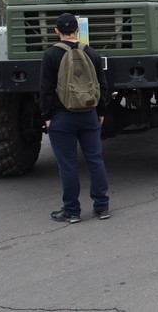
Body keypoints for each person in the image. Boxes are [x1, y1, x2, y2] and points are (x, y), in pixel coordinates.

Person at [40, 13, 110, 223]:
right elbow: (103, 86)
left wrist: (47, 116)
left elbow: (46, 88)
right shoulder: (91, 52)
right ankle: (102, 207)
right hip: (89, 115)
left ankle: (72, 211)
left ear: (56, 31)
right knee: (95, 160)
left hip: (62, 116)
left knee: (68, 165)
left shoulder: (51, 55)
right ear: (78, 30)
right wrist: (100, 112)